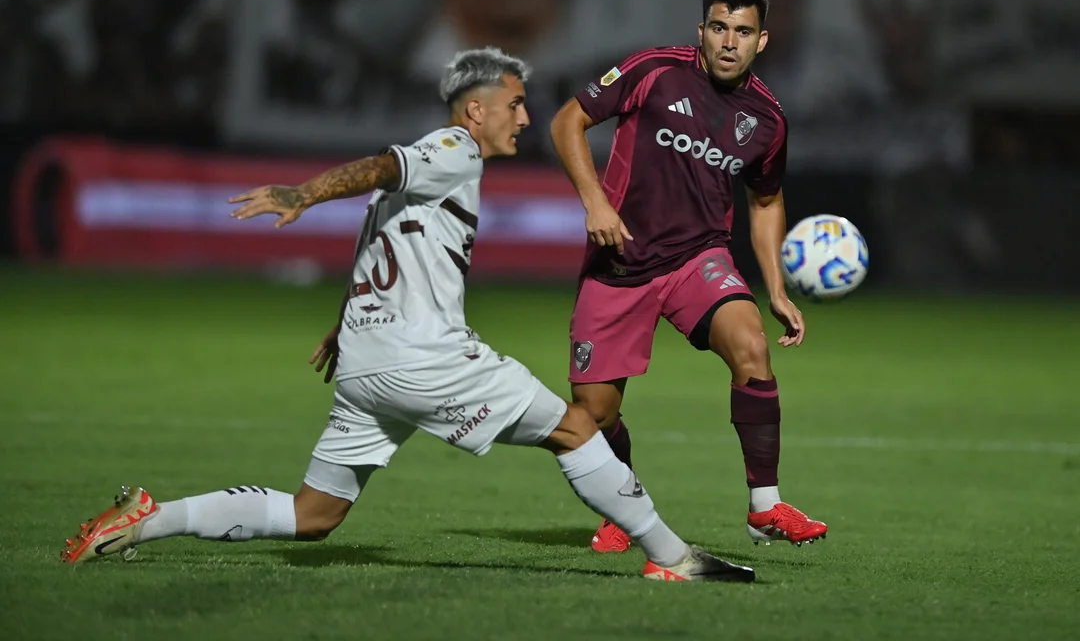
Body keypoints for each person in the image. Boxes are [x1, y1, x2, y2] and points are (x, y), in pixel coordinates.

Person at [60, 47, 754, 584]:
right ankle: (673, 557)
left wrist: (342, 327)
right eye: (512, 104)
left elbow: (376, 242)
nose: (522, 116)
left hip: (367, 366)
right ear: (474, 112)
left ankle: (147, 521)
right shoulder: (451, 150)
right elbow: (378, 166)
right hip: (426, 359)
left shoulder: (433, 176)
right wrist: (302, 193)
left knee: (314, 515)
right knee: (577, 427)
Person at [549, 0, 828, 554]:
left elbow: (767, 200)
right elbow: (565, 122)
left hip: (697, 259)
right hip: (620, 263)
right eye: (720, 28)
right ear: (701, 31)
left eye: (743, 31)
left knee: (751, 348)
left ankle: (765, 506)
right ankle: (622, 503)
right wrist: (596, 202)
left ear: (762, 40)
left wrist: (774, 288)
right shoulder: (653, 70)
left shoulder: (767, 119)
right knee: (593, 416)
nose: (730, 42)